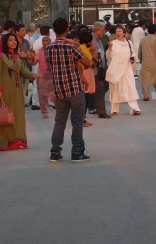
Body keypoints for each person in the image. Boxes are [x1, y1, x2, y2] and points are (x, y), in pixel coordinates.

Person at [45, 17, 92, 162]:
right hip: (74, 89)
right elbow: (88, 63)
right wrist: (76, 44)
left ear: (53, 30)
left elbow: (50, 69)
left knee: (60, 121)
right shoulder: (71, 47)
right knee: (77, 122)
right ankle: (77, 152)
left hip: (60, 90)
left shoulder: (48, 49)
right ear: (67, 30)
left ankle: (55, 152)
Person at [0, 32, 37, 151]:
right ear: (6, 43)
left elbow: (24, 71)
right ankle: (4, 143)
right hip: (5, 90)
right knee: (5, 115)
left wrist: (34, 75)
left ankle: (18, 140)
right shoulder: (0, 57)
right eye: (11, 40)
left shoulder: (17, 57)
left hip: (17, 91)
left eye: (15, 40)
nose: (14, 42)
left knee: (18, 115)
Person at [106, 25, 141, 116]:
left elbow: (133, 53)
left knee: (130, 87)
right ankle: (114, 109)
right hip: (116, 70)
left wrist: (132, 58)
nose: (118, 33)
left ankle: (134, 109)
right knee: (115, 89)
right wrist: (110, 48)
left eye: (120, 31)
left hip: (127, 69)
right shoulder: (113, 43)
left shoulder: (129, 43)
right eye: (117, 31)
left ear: (124, 33)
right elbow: (109, 57)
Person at [138, 23, 156, 101]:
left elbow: (140, 52)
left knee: (145, 80)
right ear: (155, 30)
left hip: (145, 62)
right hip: (155, 63)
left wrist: (140, 59)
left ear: (148, 30)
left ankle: (146, 95)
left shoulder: (143, 40)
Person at [90, 22, 111, 118]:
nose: (104, 32)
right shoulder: (90, 39)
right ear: (97, 30)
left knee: (101, 88)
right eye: (102, 30)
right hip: (92, 68)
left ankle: (99, 110)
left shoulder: (99, 39)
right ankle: (99, 110)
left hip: (100, 69)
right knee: (95, 90)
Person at [36, 36, 55, 118]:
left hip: (53, 75)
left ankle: (60, 110)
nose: (44, 42)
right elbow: (34, 62)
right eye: (43, 41)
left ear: (50, 42)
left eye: (46, 40)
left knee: (55, 95)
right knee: (42, 95)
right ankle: (44, 111)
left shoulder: (54, 50)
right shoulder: (39, 52)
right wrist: (29, 58)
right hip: (42, 75)